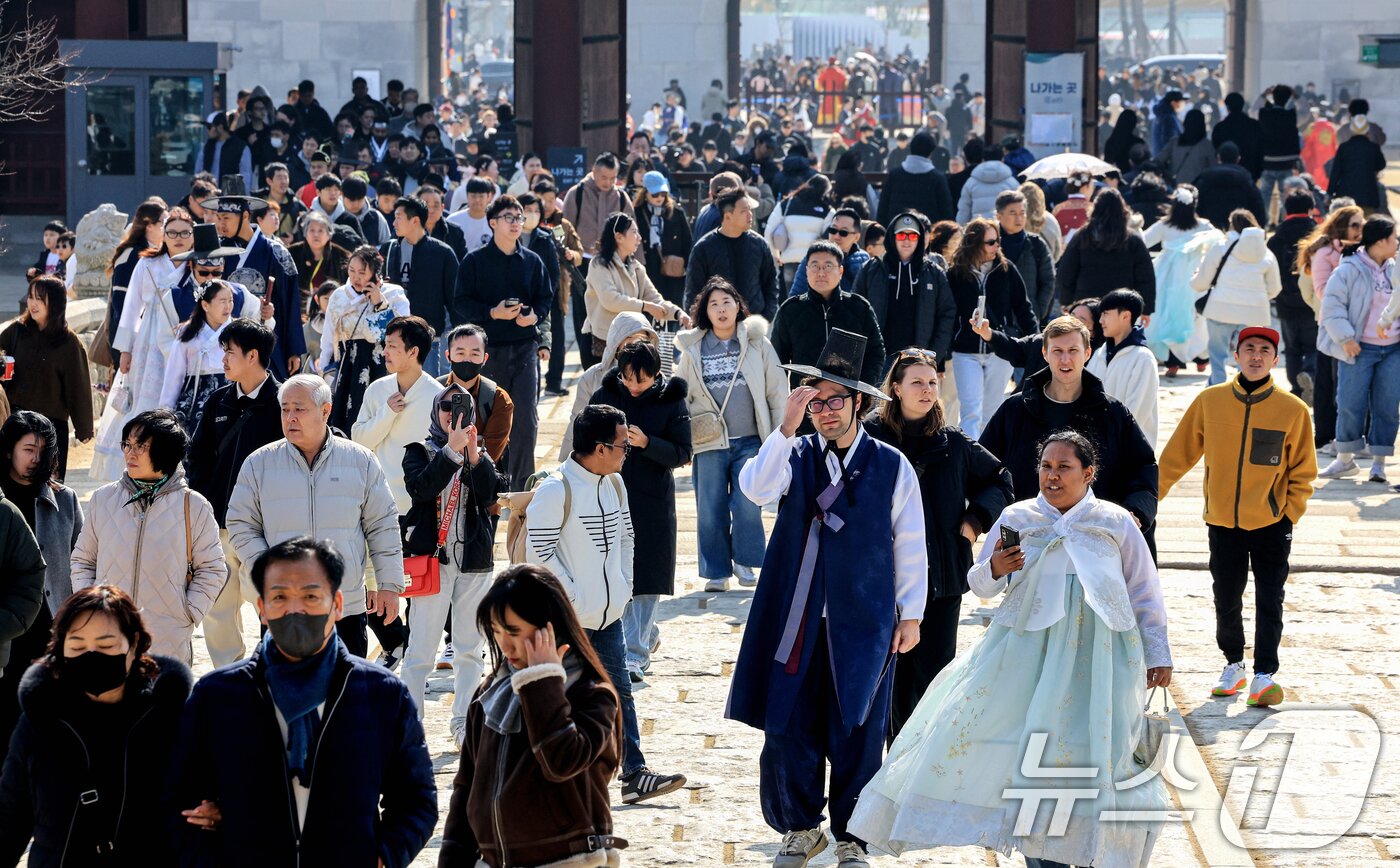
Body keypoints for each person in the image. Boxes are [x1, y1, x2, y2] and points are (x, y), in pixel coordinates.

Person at [850, 431, 1172, 868]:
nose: (1052, 476)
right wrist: (996, 568)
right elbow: (980, 585)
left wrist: (1158, 654)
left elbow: (1144, 590)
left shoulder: (1114, 522)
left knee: (1089, 753)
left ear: (1089, 473)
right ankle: (1040, 853)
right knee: (1023, 749)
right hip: (1024, 657)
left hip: (1098, 660)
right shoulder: (1017, 517)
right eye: (1046, 467)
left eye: (1064, 468)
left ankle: (1085, 844)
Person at [726, 328, 927, 868]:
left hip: (864, 618)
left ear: (859, 402)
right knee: (789, 723)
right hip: (794, 617)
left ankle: (853, 836)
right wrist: (785, 428)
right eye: (815, 400)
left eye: (836, 400)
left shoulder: (890, 465)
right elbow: (753, 490)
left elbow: (909, 542)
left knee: (858, 725)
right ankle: (799, 828)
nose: (825, 411)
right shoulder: (794, 453)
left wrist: (911, 614)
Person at [168, 537, 437, 864]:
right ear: (262, 609)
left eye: (310, 596)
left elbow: (416, 800)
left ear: (337, 604)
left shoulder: (380, 693)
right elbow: (179, 801)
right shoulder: (219, 695)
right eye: (280, 597)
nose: (295, 609)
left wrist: (383, 857)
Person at [527, 400, 690, 806]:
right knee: (561, 699)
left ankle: (634, 772)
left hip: (610, 614)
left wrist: (621, 587)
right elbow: (540, 556)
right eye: (622, 445)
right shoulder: (555, 489)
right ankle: (547, 778)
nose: (626, 451)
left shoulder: (616, 484)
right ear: (599, 448)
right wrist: (576, 600)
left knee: (619, 692)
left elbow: (626, 537)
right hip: (567, 620)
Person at [1159, 327, 1315, 705]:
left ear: (1275, 360)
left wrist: (1287, 512)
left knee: (1269, 597)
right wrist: (1149, 498)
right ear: (1235, 355)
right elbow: (1177, 455)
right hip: (1222, 522)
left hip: (1271, 523)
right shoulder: (1210, 401)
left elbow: (1303, 471)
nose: (1256, 356)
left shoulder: (1293, 410)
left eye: (1264, 350)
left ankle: (1264, 674)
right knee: (1225, 595)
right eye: (1249, 349)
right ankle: (1233, 664)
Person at [864, 348, 1012, 736]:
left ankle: (922, 766)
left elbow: (1001, 479)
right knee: (885, 680)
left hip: (941, 577)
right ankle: (887, 764)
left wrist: (973, 522)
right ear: (895, 388)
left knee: (932, 679)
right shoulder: (869, 438)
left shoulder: (955, 443)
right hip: (879, 576)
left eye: (932, 382)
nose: (926, 389)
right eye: (916, 382)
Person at [439, 564, 623, 867]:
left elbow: (560, 761)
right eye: (496, 632)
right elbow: (466, 788)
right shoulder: (489, 694)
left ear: (549, 627)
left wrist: (542, 681)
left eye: (514, 631)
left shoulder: (591, 695)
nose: (505, 644)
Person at [0, 585, 192, 867]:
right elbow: (10, 816)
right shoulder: (40, 720)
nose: (92, 656)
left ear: (134, 643)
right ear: (60, 648)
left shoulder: (170, 715)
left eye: (106, 646)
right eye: (77, 646)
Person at [226, 375, 405, 658]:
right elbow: (241, 524)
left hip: (345, 603)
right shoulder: (259, 463)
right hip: (284, 604)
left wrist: (388, 585)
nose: (290, 417)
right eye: (285, 409)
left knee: (346, 695)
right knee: (284, 695)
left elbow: (382, 525)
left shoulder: (361, 460)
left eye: (299, 409)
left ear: (325, 411)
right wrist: (269, 570)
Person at [980, 316, 1160, 550]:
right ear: (1045, 353)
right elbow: (986, 470)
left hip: (1096, 540)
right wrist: (982, 518)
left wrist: (1135, 512)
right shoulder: (1014, 410)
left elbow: (1143, 467)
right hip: (1027, 540)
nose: (1065, 359)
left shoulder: (1112, 413)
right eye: (1057, 351)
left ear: (1087, 353)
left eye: (1073, 350)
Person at [71, 409, 225, 662]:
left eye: (141, 446)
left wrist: (187, 613)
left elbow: (213, 569)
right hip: (106, 635)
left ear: (165, 451)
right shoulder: (103, 499)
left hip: (167, 640)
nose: (130, 453)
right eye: (127, 444)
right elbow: (83, 561)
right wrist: (91, 607)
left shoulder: (193, 506)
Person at [399, 382, 505, 746]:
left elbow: (492, 495)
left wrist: (474, 457)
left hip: (474, 562)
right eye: (445, 406)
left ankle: (464, 722)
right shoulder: (419, 451)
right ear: (435, 411)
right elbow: (421, 489)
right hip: (431, 562)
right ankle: (411, 727)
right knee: (421, 650)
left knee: (470, 649)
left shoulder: (482, 453)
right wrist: (451, 453)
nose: (451, 413)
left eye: (459, 406)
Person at [587, 341, 692, 682]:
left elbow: (682, 453)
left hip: (652, 501)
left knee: (647, 577)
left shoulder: (671, 399)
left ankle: (635, 655)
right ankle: (644, 634)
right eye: (627, 378)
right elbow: (583, 438)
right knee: (615, 572)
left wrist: (648, 444)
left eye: (641, 381)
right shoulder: (606, 394)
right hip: (608, 495)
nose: (632, 387)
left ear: (656, 375)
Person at [675, 277, 787, 594]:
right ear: (704, 312)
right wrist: (681, 441)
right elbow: (679, 396)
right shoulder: (693, 348)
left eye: (727, 302)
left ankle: (746, 561)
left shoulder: (757, 344)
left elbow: (777, 392)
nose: (722, 309)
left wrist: (782, 437)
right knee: (710, 507)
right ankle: (715, 571)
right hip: (708, 441)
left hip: (750, 439)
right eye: (714, 304)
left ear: (738, 307)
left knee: (748, 502)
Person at [187, 318, 282, 666]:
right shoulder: (218, 402)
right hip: (218, 524)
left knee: (268, 601)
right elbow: (197, 457)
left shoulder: (283, 402)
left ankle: (271, 668)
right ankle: (228, 672)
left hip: (265, 525)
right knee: (218, 607)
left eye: (229, 352)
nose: (223, 359)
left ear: (253, 355)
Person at [453, 194, 552, 490]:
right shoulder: (475, 261)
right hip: (488, 351)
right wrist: (491, 313)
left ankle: (522, 487)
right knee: (486, 419)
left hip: (524, 347)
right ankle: (487, 482)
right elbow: (460, 302)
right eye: (509, 218)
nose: (515, 224)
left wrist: (533, 315)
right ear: (493, 222)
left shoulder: (533, 261)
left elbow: (545, 298)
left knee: (525, 419)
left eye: (519, 218)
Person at [0, 412, 81, 758]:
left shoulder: (64, 500)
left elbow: (81, 560)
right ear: (8, 450)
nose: (35, 459)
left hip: (50, 623)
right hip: (6, 622)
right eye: (28, 449)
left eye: (42, 451)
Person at [1318, 215, 1400, 482]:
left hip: (1393, 349)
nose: (1397, 242)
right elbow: (1331, 308)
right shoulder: (1348, 269)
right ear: (1380, 241)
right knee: (1350, 403)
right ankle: (1345, 460)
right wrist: (1345, 338)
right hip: (1358, 348)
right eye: (1394, 238)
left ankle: (1379, 464)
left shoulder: (1395, 267)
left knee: (1387, 405)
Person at [945, 217, 1037, 439]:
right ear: (974, 243)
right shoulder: (955, 274)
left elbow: (1023, 307)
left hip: (1000, 350)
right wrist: (943, 351)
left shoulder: (1006, 270)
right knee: (971, 410)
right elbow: (947, 314)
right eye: (991, 242)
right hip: (965, 351)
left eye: (998, 241)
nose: (997, 246)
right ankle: (969, 459)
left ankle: (987, 461)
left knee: (992, 412)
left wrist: (1036, 340)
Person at [0, 277, 92, 480]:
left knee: (48, 487)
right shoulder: (16, 332)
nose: (32, 303)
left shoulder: (69, 343)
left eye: (40, 298)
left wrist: (84, 428)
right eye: (31, 297)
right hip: (16, 422)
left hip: (51, 427)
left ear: (56, 302)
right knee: (12, 482)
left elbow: (78, 388)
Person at [205, 193, 307, 377]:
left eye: (226, 218)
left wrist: (294, 349)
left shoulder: (276, 251)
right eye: (219, 218)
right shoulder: (217, 252)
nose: (221, 224)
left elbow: (290, 301)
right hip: (226, 339)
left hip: (267, 337)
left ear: (245, 215)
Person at [352, 315, 442, 520]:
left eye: (392, 346)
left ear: (413, 351)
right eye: (386, 345)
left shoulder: (437, 396)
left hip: (423, 505)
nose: (385, 351)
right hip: (379, 501)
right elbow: (359, 441)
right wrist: (387, 412)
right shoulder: (377, 389)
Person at [771, 240, 886, 391]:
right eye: (815, 266)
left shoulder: (859, 308)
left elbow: (876, 352)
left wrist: (861, 392)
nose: (821, 272)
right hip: (806, 400)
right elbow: (776, 360)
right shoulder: (790, 310)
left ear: (840, 271)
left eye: (828, 266)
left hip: (846, 400)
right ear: (806, 270)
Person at [319, 245, 412, 430]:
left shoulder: (393, 294)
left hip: (384, 363)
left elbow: (405, 330)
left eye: (362, 272)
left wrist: (380, 303)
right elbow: (329, 336)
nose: (356, 277)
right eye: (352, 270)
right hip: (349, 365)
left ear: (375, 273)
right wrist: (323, 370)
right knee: (346, 420)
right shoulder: (339, 296)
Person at [853, 212, 957, 373]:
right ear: (892, 238)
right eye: (901, 235)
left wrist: (934, 353)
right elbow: (856, 310)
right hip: (878, 358)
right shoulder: (871, 269)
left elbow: (947, 313)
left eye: (913, 236)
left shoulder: (933, 272)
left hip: (920, 358)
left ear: (920, 239)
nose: (907, 241)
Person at [1301, 204, 1365, 452]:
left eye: (1362, 224)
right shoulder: (1325, 252)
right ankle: (1328, 435)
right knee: (1329, 385)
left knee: (1351, 384)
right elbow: (1322, 291)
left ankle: (1352, 435)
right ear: (1342, 226)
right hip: (1332, 326)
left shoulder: (1364, 251)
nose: (1360, 230)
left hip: (1361, 327)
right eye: (1355, 225)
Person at [562, 153, 635, 367]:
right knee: (584, 315)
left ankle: (613, 359)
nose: (608, 182)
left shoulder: (621, 197)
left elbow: (633, 231)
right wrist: (566, 257)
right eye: (604, 177)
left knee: (613, 310)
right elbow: (563, 226)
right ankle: (588, 362)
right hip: (582, 261)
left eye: (612, 178)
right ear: (594, 171)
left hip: (614, 262)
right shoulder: (577, 193)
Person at [583, 211, 688, 361]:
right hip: (601, 340)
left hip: (628, 342)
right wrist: (645, 306)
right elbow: (610, 299)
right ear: (619, 237)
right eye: (634, 232)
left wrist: (678, 314)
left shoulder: (636, 266)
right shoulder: (598, 264)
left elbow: (655, 299)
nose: (639, 238)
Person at [1194, 209, 1283, 386]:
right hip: (1253, 313)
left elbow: (1203, 281)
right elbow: (1275, 288)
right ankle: (1245, 385)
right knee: (1248, 353)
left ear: (1232, 225)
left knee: (1217, 352)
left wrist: (1195, 282)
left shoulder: (1220, 247)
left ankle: (1217, 385)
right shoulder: (1266, 253)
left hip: (1220, 308)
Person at [556, 312, 657, 460]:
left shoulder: (657, 379)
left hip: (644, 461)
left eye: (642, 340)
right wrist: (567, 461)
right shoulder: (593, 376)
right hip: (602, 460)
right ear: (616, 342)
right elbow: (577, 420)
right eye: (629, 339)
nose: (636, 345)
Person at [383, 195, 459, 378]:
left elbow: (454, 299)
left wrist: (458, 338)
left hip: (427, 338)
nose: (394, 223)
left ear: (415, 220)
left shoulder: (442, 253)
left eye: (398, 217)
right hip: (392, 339)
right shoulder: (389, 249)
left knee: (429, 395)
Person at [1054, 188, 1157, 316]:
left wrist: (1066, 301)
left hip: (1086, 304)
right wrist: (1146, 310)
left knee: (1089, 335)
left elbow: (1066, 273)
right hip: (1122, 306)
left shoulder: (1082, 237)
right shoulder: (1132, 241)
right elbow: (1145, 277)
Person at [686, 187, 783, 320]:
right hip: (716, 326)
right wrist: (702, 324)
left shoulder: (760, 244)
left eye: (750, 209)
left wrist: (766, 319)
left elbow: (771, 285)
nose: (750, 214)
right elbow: (693, 293)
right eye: (744, 211)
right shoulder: (704, 247)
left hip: (753, 327)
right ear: (727, 216)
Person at [159, 279, 236, 432]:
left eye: (230, 300)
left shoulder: (237, 330)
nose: (228, 306)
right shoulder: (188, 332)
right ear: (205, 305)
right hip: (195, 396)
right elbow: (174, 373)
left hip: (231, 393)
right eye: (222, 301)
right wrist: (166, 408)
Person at [1087, 288, 1160, 444]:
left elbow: (1136, 411)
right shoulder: (1100, 353)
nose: (1101, 321)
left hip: (1130, 449)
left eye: (1106, 314)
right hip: (1098, 445)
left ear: (1125, 316)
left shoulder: (1143, 358)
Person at [1268, 190, 1321, 401]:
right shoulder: (1318, 238)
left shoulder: (1275, 240)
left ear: (1286, 210)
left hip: (1285, 304)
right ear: (1311, 210)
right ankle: (1309, 372)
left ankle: (1296, 389)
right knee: (1314, 346)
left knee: (1291, 349)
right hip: (1312, 302)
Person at [632, 171, 693, 309]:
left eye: (663, 193)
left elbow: (688, 243)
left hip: (673, 270)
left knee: (673, 310)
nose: (659, 197)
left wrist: (689, 269)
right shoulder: (637, 212)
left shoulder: (677, 212)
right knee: (649, 308)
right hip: (648, 269)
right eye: (655, 194)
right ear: (645, 193)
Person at [995, 189, 1057, 321]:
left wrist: (1038, 311)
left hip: (1028, 318)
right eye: (1013, 213)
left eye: (1022, 213)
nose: (1019, 218)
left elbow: (1049, 280)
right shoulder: (990, 243)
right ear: (999, 216)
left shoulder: (1036, 244)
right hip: (995, 319)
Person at [766, 174, 832, 290]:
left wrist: (775, 255)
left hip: (789, 260)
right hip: (814, 263)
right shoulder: (827, 210)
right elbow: (829, 238)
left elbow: (769, 231)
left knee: (792, 301)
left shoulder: (786, 204)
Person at [789, 207, 871, 298]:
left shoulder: (865, 260)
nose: (836, 236)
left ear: (856, 237)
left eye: (843, 232)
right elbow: (795, 296)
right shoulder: (813, 257)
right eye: (833, 230)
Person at [876, 131, 953, 227]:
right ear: (931, 152)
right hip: (927, 234)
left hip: (897, 231)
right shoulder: (937, 178)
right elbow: (946, 212)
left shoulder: (894, 175)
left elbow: (883, 208)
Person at [1194, 142, 1268, 229]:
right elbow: (1258, 206)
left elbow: (1194, 203)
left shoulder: (1205, 178)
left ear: (1218, 157)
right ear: (1238, 159)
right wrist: (1260, 228)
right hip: (1238, 228)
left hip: (1209, 228)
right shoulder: (1245, 179)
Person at [1327, 113, 1388, 214]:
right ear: (1367, 131)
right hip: (1368, 197)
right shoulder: (1373, 147)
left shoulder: (1344, 147)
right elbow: (1381, 165)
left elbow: (1335, 172)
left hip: (1346, 197)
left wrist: (1329, 193)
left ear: (1352, 130)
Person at [288, 211, 350, 299]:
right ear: (305, 233)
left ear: (329, 234)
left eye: (320, 231)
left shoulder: (342, 257)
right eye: (312, 230)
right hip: (299, 306)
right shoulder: (291, 253)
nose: (316, 235)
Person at [955, 144, 1018, 223]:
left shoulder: (971, 183)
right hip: (1004, 231)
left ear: (983, 160)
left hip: (977, 231)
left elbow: (964, 212)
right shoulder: (1012, 183)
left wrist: (962, 230)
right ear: (1002, 159)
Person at [1212, 92, 1265, 180]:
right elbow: (1261, 148)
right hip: (1251, 170)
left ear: (1227, 107)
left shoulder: (1220, 127)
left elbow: (1216, 149)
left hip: (1226, 171)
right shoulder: (1255, 125)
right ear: (1242, 105)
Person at [1159, 108, 1216, 185]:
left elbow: (1159, 160)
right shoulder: (1207, 145)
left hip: (1177, 188)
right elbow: (1213, 169)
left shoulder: (1174, 142)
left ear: (1185, 124)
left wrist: (1167, 176)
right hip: (1199, 188)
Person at [1102, 108, 1145, 174]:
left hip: (1114, 180)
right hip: (1134, 179)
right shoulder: (1138, 142)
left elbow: (1107, 164)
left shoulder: (1111, 142)